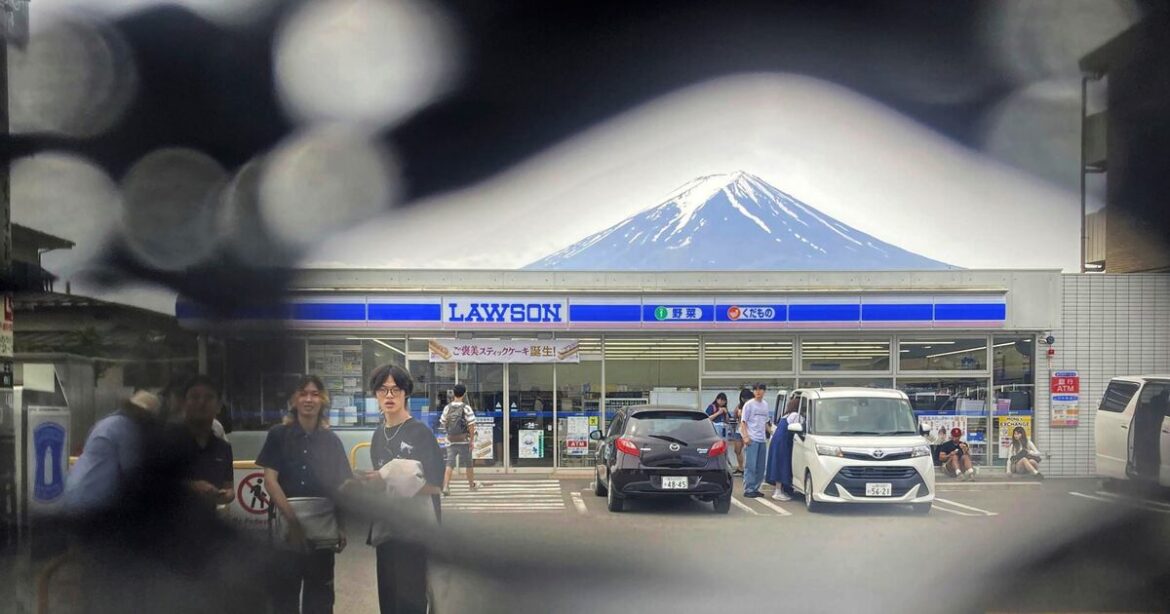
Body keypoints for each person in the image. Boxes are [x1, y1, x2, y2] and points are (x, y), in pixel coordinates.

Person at [256, 375, 354, 614]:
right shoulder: (278, 434)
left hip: (322, 536)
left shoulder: (331, 441)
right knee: (284, 600)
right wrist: (293, 522)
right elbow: (270, 481)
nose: (309, 399)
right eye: (303, 393)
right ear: (294, 399)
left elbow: (340, 486)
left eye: (315, 394)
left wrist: (341, 526)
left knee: (320, 601)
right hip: (287, 535)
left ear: (323, 400)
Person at [356, 364, 445, 614]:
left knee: (413, 602)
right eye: (383, 390)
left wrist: (390, 480)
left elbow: (437, 485)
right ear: (375, 395)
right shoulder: (377, 435)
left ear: (406, 393)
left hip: (416, 533)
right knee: (389, 601)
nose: (389, 396)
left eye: (396, 389)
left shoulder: (420, 433)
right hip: (387, 532)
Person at [63, 389, 162, 515]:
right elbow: (133, 473)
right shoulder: (127, 428)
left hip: (74, 492)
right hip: (94, 501)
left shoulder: (106, 422)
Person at [167, 375, 234, 508]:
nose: (202, 402)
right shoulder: (166, 441)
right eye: (195, 397)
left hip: (207, 524)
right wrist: (192, 487)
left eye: (209, 397)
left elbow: (229, 487)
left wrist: (227, 495)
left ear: (219, 406)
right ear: (183, 403)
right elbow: (151, 484)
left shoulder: (223, 448)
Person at [440, 384, 480, 496]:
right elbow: (471, 425)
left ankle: (446, 486)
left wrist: (449, 433)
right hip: (464, 441)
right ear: (464, 394)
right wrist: (471, 440)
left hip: (451, 440)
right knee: (468, 464)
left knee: (449, 464)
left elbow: (443, 422)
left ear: (453, 393)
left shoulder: (447, 408)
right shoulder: (466, 408)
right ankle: (471, 485)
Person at [765, 396, 800, 501]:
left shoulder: (785, 415)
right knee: (781, 465)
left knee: (777, 463)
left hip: (777, 441)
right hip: (783, 442)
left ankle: (780, 490)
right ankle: (778, 491)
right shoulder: (795, 415)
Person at [740, 384, 770, 498]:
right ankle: (749, 488)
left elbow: (766, 422)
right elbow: (743, 422)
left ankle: (756, 488)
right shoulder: (749, 405)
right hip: (752, 438)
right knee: (751, 465)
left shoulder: (765, 405)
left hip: (762, 439)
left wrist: (772, 433)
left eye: (760, 389)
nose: (758, 392)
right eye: (756, 390)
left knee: (761, 466)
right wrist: (745, 437)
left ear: (764, 391)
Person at [726, 389, 748, 475]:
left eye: (746, 397)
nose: (744, 399)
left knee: (748, 449)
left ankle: (747, 468)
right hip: (739, 429)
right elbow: (734, 416)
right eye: (743, 398)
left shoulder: (751, 405)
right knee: (737, 449)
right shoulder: (739, 405)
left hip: (748, 430)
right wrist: (736, 413)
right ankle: (740, 467)